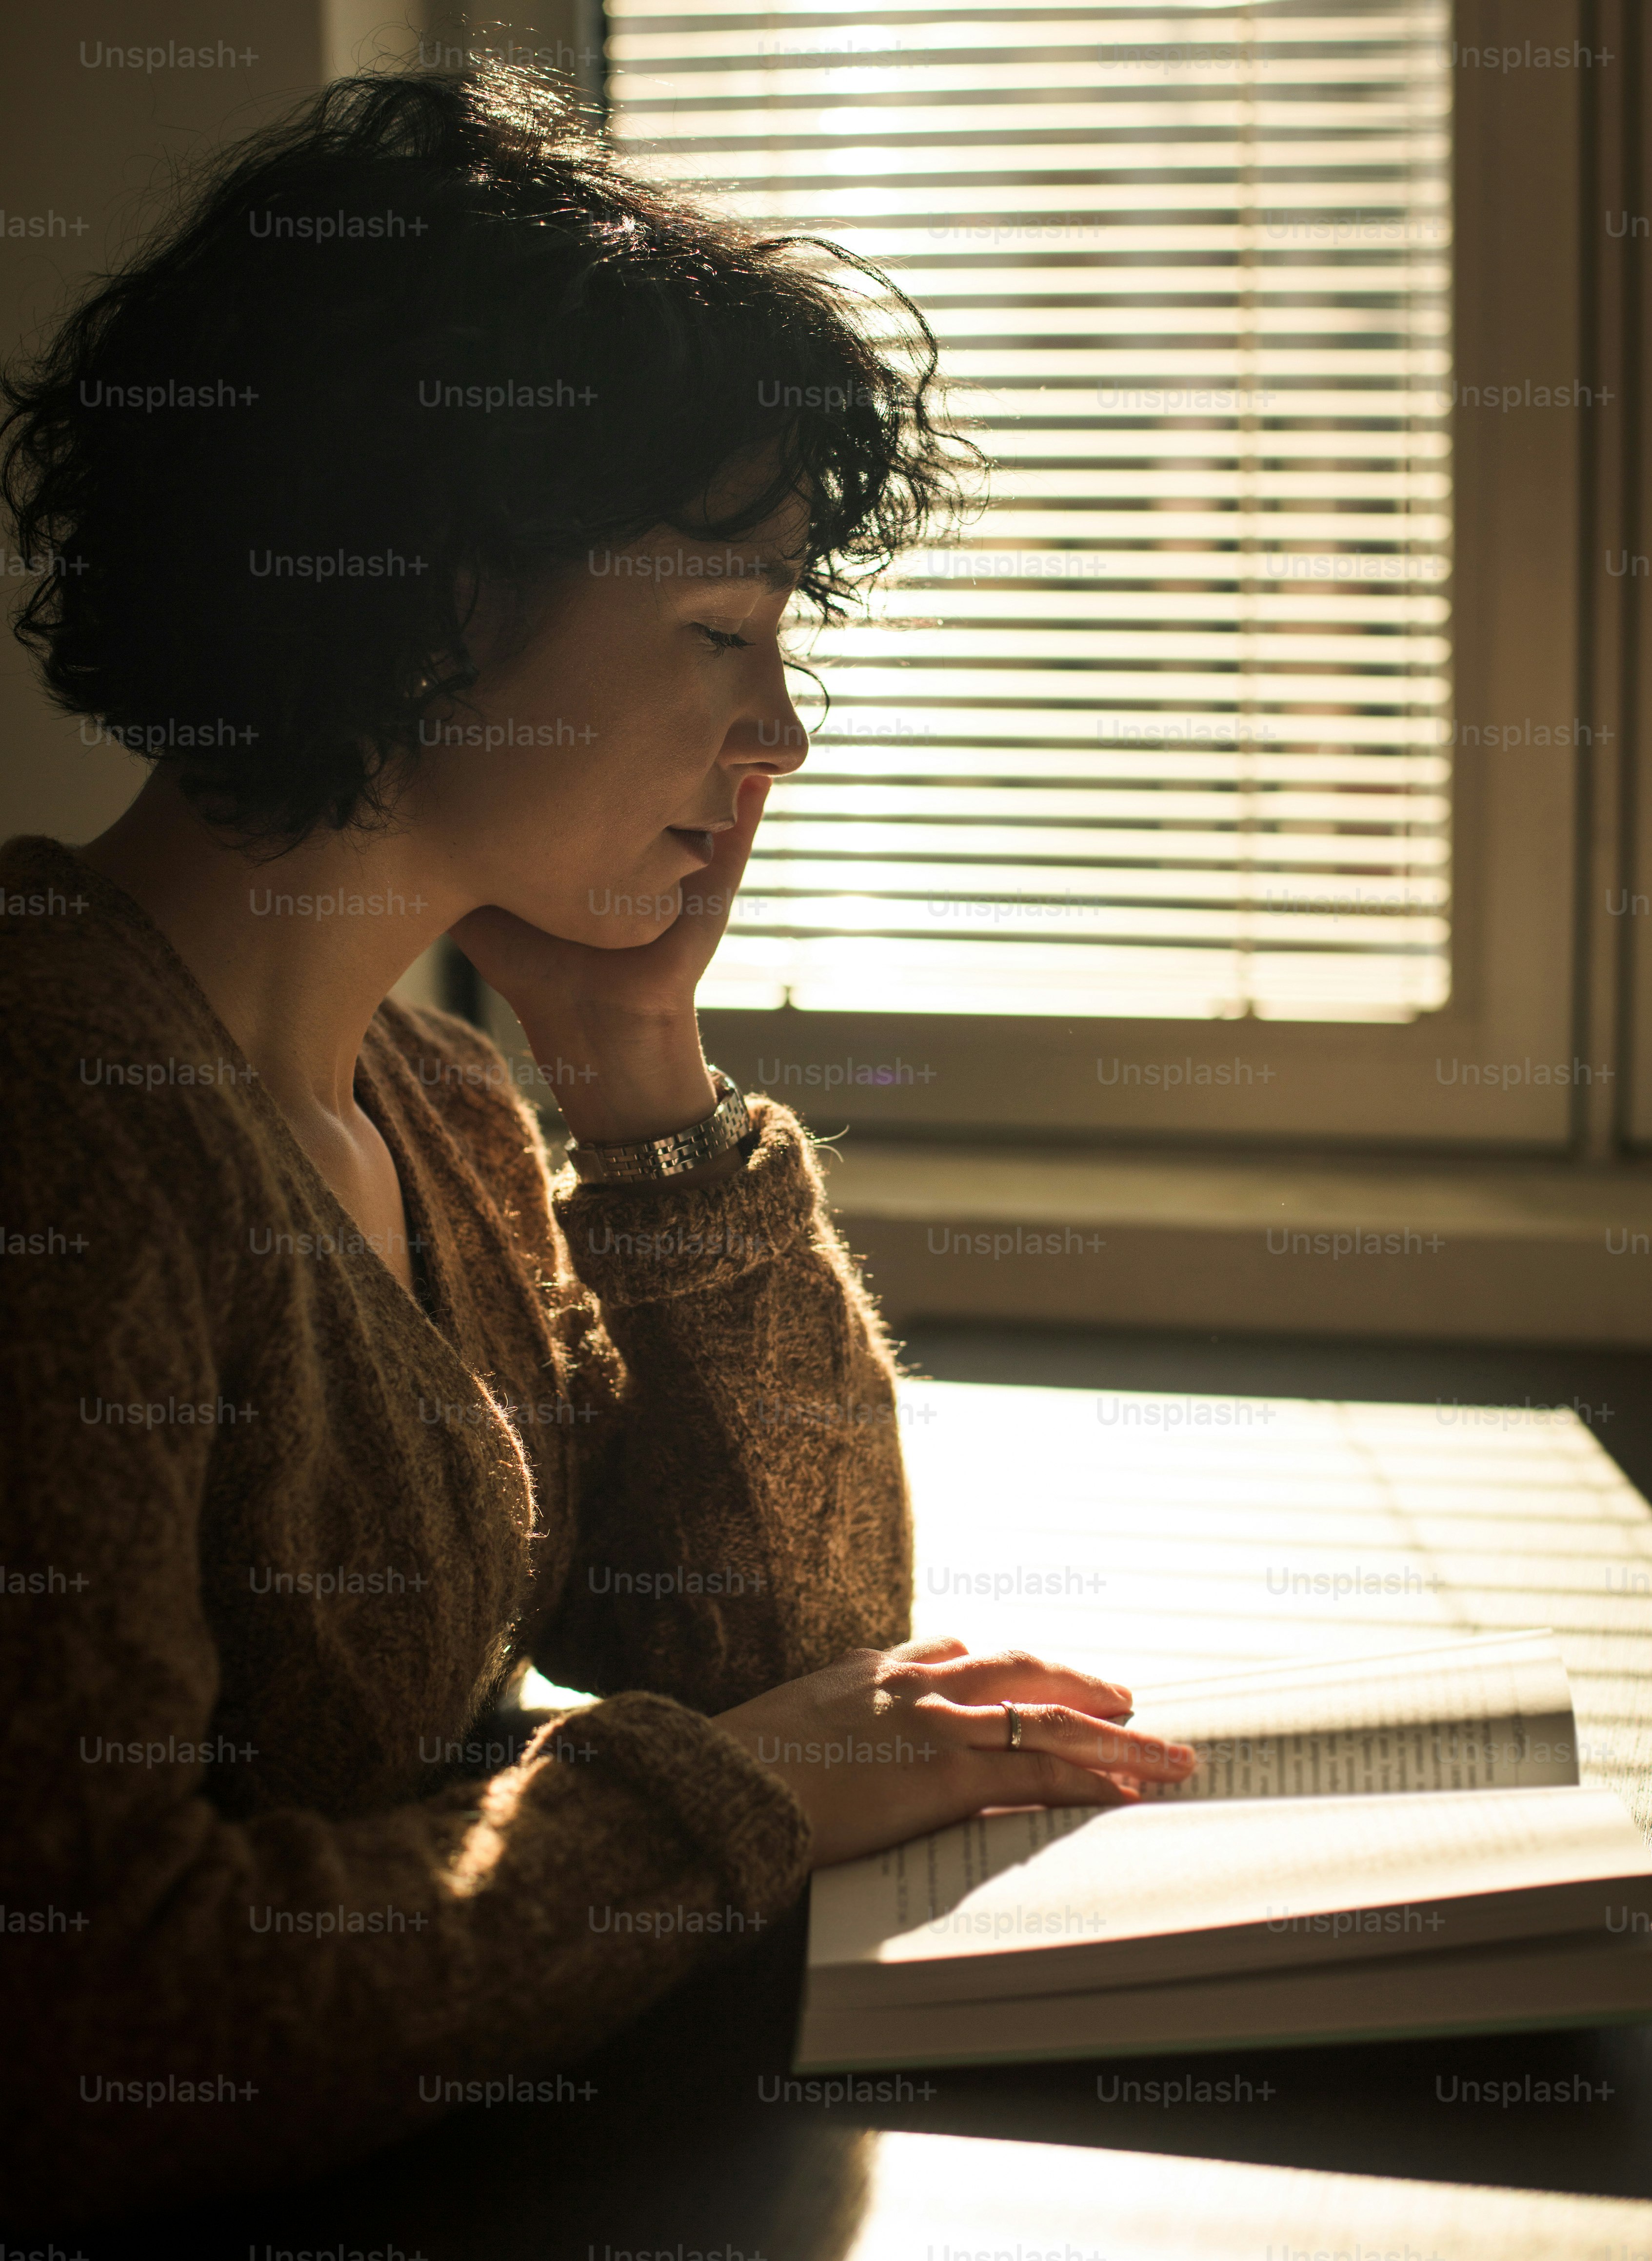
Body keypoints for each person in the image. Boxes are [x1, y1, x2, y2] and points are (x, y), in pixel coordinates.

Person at [0, 65, 1195, 2224]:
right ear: (436, 602)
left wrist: (638, 1063)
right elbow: (101, 2022)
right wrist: (728, 1787)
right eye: (723, 633)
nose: (780, 734)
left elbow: (789, 1657)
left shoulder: (436, 1098)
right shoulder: (57, 1118)